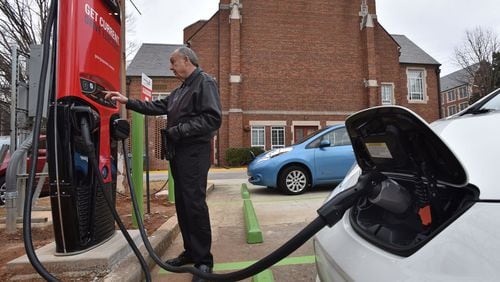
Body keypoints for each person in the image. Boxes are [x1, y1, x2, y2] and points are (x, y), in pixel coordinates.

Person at [105, 46, 222, 282]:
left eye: (173, 62)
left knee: (194, 205)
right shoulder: (181, 91)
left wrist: (178, 131)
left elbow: (212, 119)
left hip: (194, 154)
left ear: (187, 60)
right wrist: (127, 101)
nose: (170, 67)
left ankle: (203, 261)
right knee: (182, 204)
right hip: (178, 155)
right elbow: (157, 107)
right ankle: (191, 252)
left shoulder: (204, 83)